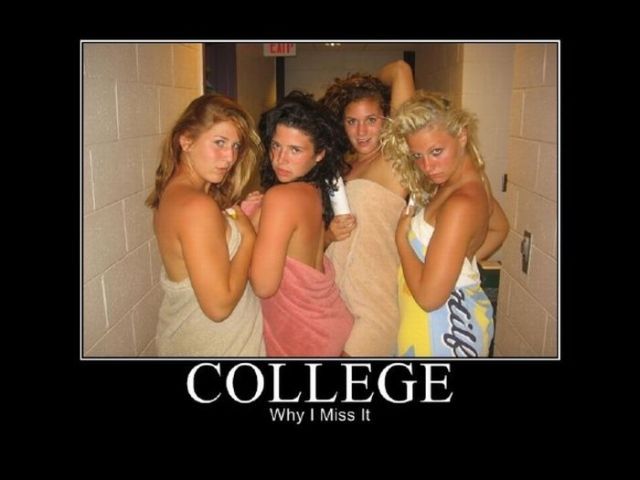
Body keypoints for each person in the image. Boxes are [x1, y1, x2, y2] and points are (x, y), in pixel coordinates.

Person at [380, 90, 509, 357]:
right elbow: (499, 228)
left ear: (461, 135)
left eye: (436, 151)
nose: (427, 165)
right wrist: (456, 265)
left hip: (446, 330)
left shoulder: (462, 203)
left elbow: (429, 298)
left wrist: (401, 241)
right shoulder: (464, 181)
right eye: (417, 156)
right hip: (434, 323)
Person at [146, 93, 265, 357]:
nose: (229, 157)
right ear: (186, 140)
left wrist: (245, 221)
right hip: (221, 349)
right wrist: (247, 239)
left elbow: (212, 256)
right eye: (219, 142)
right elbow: (218, 307)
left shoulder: (176, 195)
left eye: (235, 146)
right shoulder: (197, 207)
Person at [318, 60, 415, 356]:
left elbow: (400, 70)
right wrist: (328, 235)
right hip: (333, 300)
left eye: (371, 119)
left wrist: (362, 85)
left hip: (374, 305)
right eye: (352, 121)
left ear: (386, 120)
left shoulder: (394, 158)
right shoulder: (342, 166)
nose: (361, 131)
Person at [250, 91, 354, 357]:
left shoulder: (281, 198)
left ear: (319, 154)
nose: (280, 159)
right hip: (327, 322)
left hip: (304, 334)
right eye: (276, 146)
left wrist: (245, 225)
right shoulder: (315, 190)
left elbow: (263, 285)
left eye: (295, 150)